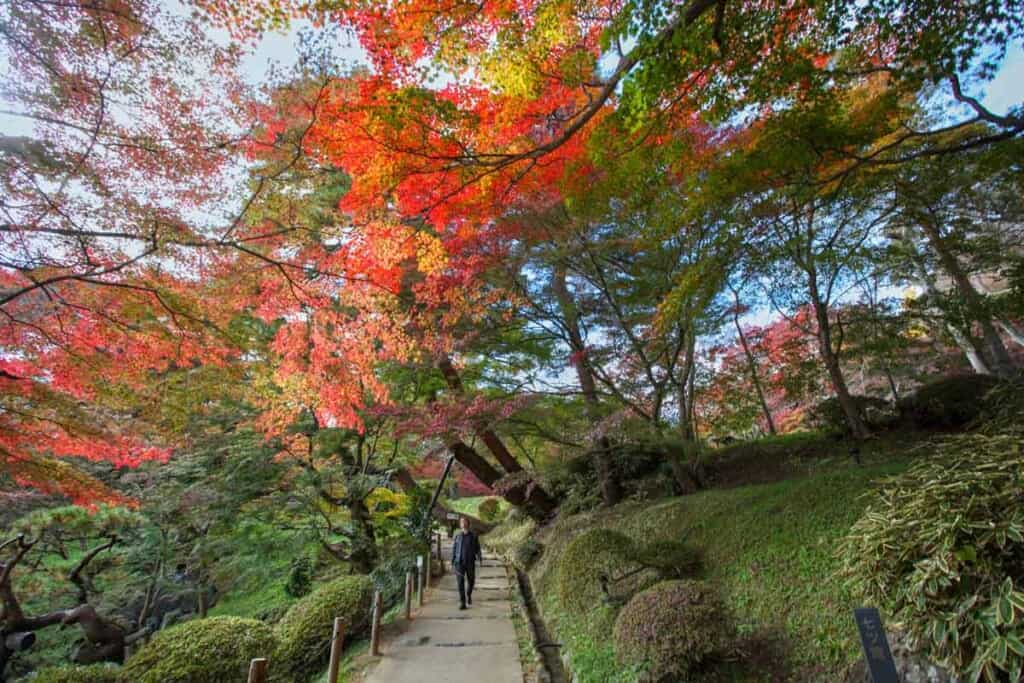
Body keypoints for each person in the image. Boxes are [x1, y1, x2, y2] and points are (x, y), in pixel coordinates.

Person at [451, 516, 483, 609]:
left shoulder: (473, 536)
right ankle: (462, 602)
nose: (463, 523)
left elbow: (477, 548)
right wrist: (452, 561)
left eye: (465, 522)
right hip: (459, 563)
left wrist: (480, 558)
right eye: (461, 522)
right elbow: (454, 549)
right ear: (460, 525)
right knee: (460, 583)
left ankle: (468, 594)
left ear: (468, 524)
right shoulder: (457, 536)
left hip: (470, 562)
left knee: (471, 581)